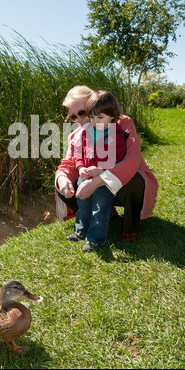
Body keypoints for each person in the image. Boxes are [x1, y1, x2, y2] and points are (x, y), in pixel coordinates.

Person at [55, 85, 158, 242]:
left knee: (133, 180)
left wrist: (97, 181)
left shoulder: (122, 123)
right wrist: (63, 179)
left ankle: (131, 225)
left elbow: (132, 161)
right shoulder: (76, 135)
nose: (80, 120)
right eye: (73, 117)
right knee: (62, 181)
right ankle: (106, 213)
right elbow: (69, 163)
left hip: (123, 187)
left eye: (83, 113)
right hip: (96, 187)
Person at [67, 90, 129, 251]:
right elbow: (78, 154)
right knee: (83, 204)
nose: (95, 122)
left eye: (100, 117)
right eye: (92, 117)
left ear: (113, 116)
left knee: (100, 208)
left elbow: (119, 158)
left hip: (104, 180)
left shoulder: (117, 134)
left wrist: (100, 170)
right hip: (85, 176)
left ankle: (95, 239)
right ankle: (80, 231)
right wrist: (80, 168)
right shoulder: (86, 133)